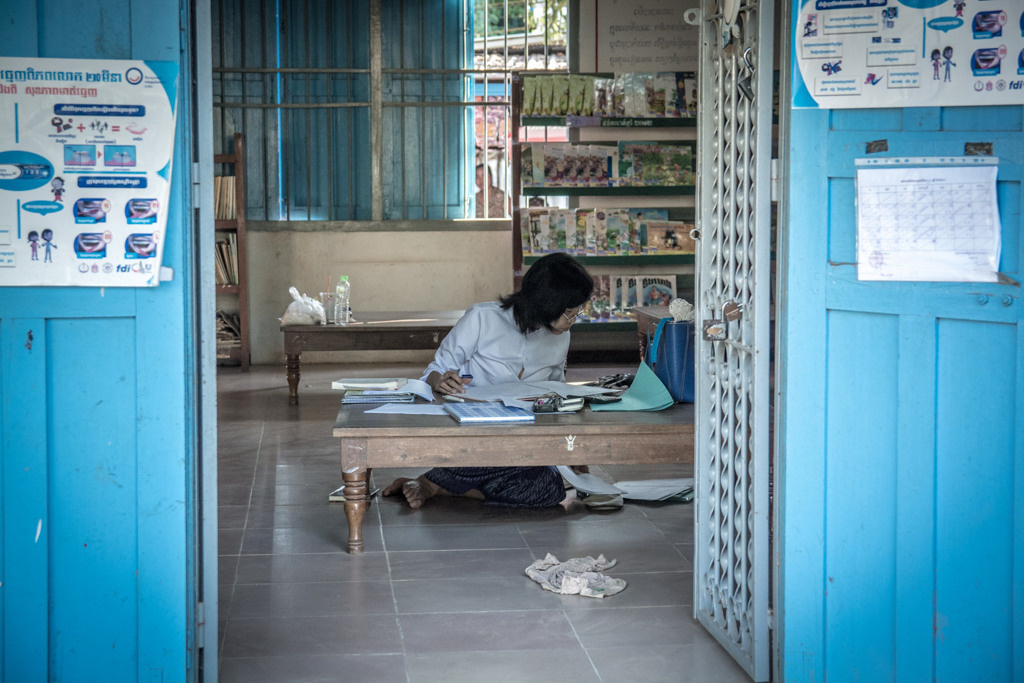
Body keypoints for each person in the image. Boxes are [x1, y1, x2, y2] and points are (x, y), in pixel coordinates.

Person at [383, 252, 594, 509]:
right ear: (546, 303)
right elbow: (434, 371)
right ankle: (433, 481)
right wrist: (439, 381)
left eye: (577, 312)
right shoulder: (482, 318)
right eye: (570, 313)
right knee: (488, 447)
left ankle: (442, 486)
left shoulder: (561, 335)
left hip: (525, 436)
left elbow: (557, 391)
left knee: (550, 489)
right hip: (476, 431)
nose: (574, 320)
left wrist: (573, 450)